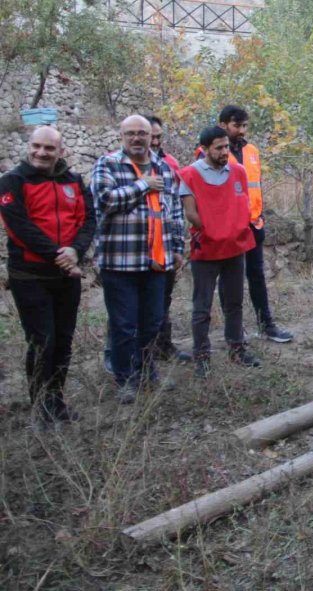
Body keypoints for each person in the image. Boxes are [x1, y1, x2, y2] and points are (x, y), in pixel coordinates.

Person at [0, 127, 96, 428]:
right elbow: (20, 228)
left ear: (61, 151)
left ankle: (57, 401)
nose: (41, 153)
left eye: (49, 148)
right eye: (36, 146)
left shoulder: (74, 181)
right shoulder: (12, 182)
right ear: (29, 147)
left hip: (67, 275)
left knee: (64, 342)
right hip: (29, 275)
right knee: (43, 340)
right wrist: (61, 255)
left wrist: (76, 251)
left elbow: (88, 219)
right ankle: (40, 406)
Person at [91, 115, 184, 403]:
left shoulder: (164, 168)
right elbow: (104, 201)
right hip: (119, 262)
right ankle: (125, 378)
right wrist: (142, 185)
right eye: (130, 133)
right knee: (124, 324)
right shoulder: (108, 164)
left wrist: (178, 246)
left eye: (142, 133)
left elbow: (175, 210)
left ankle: (146, 372)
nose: (137, 138)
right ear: (121, 135)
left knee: (152, 322)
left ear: (151, 136)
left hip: (156, 262)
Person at [178, 127, 260, 378]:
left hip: (235, 248)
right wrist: (213, 230)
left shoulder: (238, 172)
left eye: (226, 146)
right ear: (204, 149)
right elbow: (191, 213)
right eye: (219, 148)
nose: (225, 152)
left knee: (234, 302)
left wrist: (235, 229)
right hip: (207, 249)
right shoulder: (189, 175)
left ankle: (237, 348)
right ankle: (201, 355)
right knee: (202, 306)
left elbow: (243, 203)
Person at [217, 105, 293, 343]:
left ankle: (266, 325)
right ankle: (235, 331)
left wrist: (260, 216)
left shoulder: (251, 151)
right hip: (229, 229)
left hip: (253, 225)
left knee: (257, 276)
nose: (241, 130)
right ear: (223, 125)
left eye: (244, 125)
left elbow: (255, 186)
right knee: (231, 281)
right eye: (236, 125)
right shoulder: (214, 152)